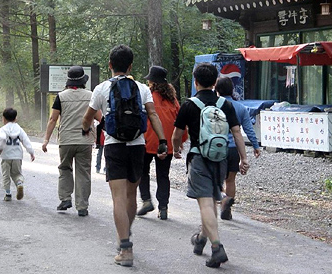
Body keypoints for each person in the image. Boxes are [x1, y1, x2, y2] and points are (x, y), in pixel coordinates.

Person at [82, 44, 168, 267]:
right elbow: (152, 115)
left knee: (118, 198)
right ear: (130, 66)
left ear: (110, 65)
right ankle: (125, 237)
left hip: (114, 146)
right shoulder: (142, 88)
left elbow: (87, 118)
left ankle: (125, 248)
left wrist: (85, 129)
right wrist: (162, 141)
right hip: (137, 145)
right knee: (131, 196)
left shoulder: (101, 88)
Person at [172, 62, 249, 268]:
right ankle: (201, 239)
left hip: (199, 158)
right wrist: (244, 158)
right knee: (212, 200)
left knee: (205, 203)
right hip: (220, 159)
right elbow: (236, 133)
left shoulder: (189, 104)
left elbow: (177, 135)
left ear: (195, 82)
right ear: (215, 82)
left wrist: (176, 149)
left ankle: (217, 248)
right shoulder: (226, 104)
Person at [42, 66, 101, 217]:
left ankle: (65, 199)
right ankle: (82, 206)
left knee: (65, 168)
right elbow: (100, 118)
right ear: (83, 81)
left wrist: (46, 139)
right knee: (83, 173)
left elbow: (52, 119)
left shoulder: (61, 96)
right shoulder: (91, 95)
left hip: (66, 140)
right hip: (85, 140)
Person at [136, 65, 187, 220]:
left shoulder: (147, 96)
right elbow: (180, 121)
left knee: (142, 172)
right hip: (168, 143)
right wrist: (179, 144)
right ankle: (163, 208)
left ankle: (146, 200)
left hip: (148, 141)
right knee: (163, 175)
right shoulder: (173, 100)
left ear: (151, 81)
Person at [215, 77, 261, 220]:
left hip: (217, 148)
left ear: (217, 90)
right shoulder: (240, 108)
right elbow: (248, 129)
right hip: (234, 148)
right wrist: (255, 146)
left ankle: (222, 200)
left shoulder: (214, 106)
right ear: (232, 90)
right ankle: (227, 208)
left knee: (217, 180)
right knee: (230, 180)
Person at [0, 107, 35, 201]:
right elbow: (26, 141)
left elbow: (2, 139)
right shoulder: (19, 129)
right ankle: (19, 183)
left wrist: (1, 148)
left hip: (6, 156)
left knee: (6, 175)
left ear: (4, 119)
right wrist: (31, 152)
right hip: (17, 155)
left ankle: (8, 194)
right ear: (15, 118)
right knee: (17, 173)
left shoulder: (3, 129)